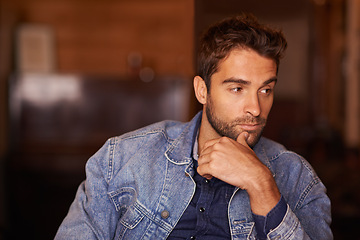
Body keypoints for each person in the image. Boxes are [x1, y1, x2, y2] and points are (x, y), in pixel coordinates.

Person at [55, 14, 332, 240]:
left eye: (266, 90)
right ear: (202, 91)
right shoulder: (123, 158)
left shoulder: (297, 178)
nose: (256, 109)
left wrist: (261, 185)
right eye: (237, 88)